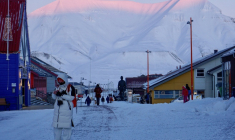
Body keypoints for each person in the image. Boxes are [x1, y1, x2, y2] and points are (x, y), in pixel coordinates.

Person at [52, 73, 75, 140]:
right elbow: (54, 97)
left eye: (61, 80)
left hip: (66, 110)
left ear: (64, 80)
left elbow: (71, 98)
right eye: (58, 80)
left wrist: (62, 95)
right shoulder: (57, 87)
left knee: (66, 129)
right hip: (58, 111)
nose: (59, 82)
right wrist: (54, 94)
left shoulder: (70, 87)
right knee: (57, 129)